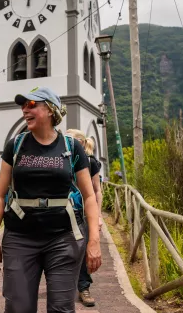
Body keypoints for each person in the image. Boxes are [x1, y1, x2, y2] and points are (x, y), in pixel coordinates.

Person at [0, 87, 102, 313]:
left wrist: (94, 240)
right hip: (20, 238)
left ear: (50, 110)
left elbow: (89, 195)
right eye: (22, 105)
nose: (24, 110)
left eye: (31, 105)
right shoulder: (15, 146)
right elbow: (0, 194)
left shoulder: (72, 147)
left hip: (63, 239)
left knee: (61, 308)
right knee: (18, 307)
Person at [65, 130, 102, 307]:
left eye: (70, 139)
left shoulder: (90, 162)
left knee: (83, 250)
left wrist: (98, 216)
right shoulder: (61, 158)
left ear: (80, 142)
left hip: (83, 213)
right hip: (62, 212)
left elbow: (96, 191)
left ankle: (84, 287)